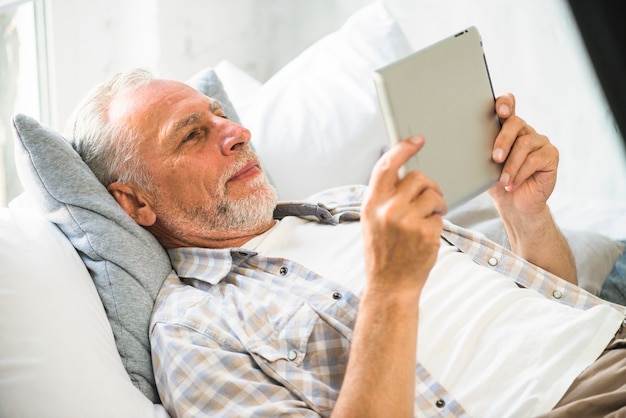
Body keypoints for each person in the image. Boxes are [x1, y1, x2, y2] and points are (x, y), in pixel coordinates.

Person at [65, 69, 626, 417]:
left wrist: (524, 213)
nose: (237, 133)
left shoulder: (354, 201)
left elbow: (554, 308)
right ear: (135, 203)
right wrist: (391, 287)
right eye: (193, 134)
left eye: (220, 116)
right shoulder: (190, 332)